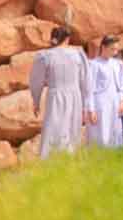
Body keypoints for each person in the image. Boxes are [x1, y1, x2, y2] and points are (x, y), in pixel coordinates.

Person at [29, 26, 94, 159]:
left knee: (53, 128)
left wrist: (36, 101)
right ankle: (68, 160)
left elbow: (36, 80)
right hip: (75, 97)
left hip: (55, 96)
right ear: (68, 38)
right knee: (71, 128)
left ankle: (51, 160)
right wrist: (87, 103)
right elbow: (86, 81)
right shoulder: (78, 55)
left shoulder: (46, 56)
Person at [86, 35, 123, 149]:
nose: (114, 52)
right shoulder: (94, 64)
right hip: (100, 103)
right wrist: (91, 109)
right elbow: (89, 89)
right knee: (100, 133)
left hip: (115, 102)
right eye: (112, 49)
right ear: (103, 47)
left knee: (115, 132)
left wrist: (122, 101)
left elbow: (121, 86)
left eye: (116, 49)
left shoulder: (118, 64)